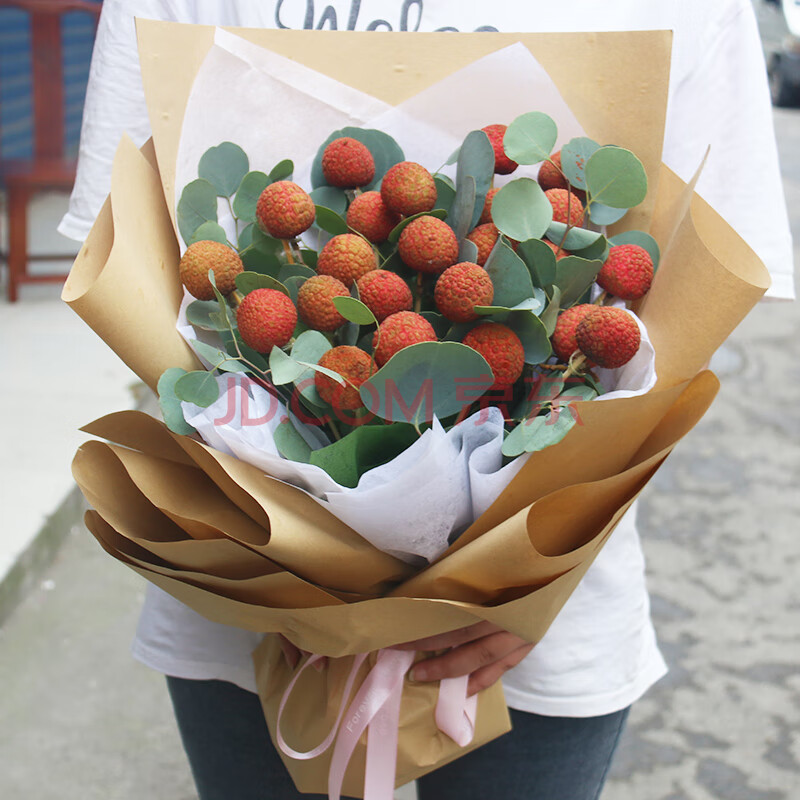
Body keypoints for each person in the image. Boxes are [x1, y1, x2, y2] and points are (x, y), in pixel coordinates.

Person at [60, 1, 794, 798]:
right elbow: (140, 266)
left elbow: (689, 302)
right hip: (252, 599)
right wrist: (285, 556)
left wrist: (536, 577)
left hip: (528, 619)